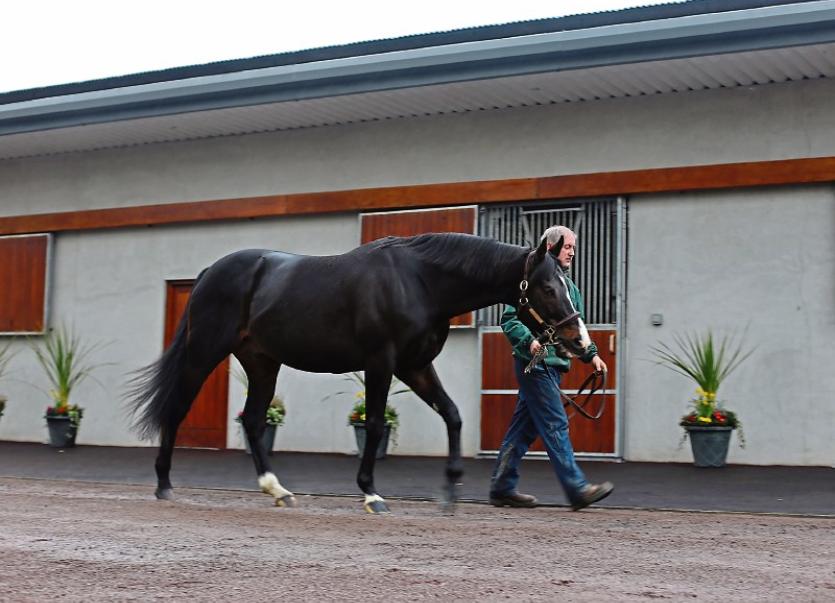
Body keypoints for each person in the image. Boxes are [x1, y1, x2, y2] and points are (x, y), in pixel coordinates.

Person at [489, 225, 614, 511]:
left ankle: (501, 487)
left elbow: (574, 327)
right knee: (555, 422)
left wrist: (591, 354)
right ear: (552, 247)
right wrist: (529, 340)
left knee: (522, 430)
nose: (572, 252)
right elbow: (510, 319)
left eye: (573, 247)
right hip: (534, 364)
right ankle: (576, 488)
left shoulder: (570, 289)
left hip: (555, 365)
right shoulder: (531, 280)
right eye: (568, 246)